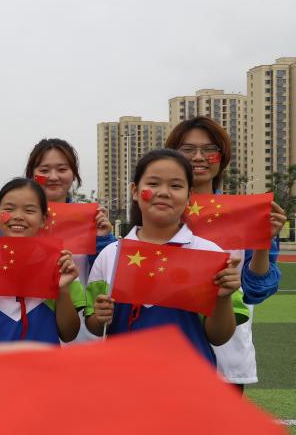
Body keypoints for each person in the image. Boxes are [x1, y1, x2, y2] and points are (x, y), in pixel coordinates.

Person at [85, 149, 245, 364]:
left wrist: (222, 299)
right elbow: (94, 325)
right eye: (153, 183)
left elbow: (219, 337)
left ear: (189, 196)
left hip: (188, 376)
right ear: (135, 191)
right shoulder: (110, 254)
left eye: (176, 186)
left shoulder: (210, 254)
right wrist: (99, 317)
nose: (163, 192)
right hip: (123, 375)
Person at [164, 117, 285, 389]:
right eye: (187, 149)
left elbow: (255, 291)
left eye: (209, 149)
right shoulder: (156, 211)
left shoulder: (245, 214)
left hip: (226, 358)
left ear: (222, 157)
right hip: (166, 353)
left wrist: (263, 241)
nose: (199, 157)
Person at [0, 178, 84, 350]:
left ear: (44, 218)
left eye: (29, 210)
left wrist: (62, 290)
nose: (18, 217)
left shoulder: (61, 264)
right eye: (9, 209)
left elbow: (69, 334)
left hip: (45, 365)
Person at [23, 138, 116, 285]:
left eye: (62, 169)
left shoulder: (90, 220)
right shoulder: (17, 219)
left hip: (76, 300)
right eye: (44, 170)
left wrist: (102, 238)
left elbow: (110, 273)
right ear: (31, 175)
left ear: (73, 174)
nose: (53, 177)